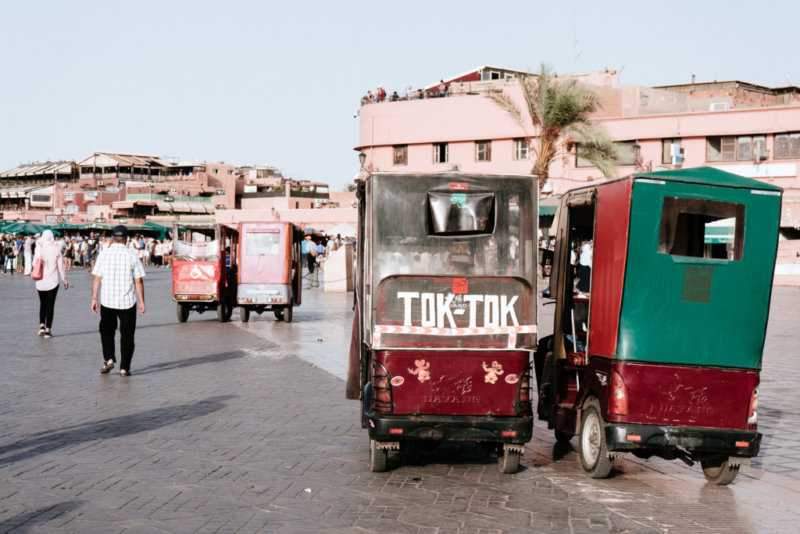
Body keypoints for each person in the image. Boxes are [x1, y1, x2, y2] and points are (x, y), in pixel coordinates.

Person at [91, 225, 146, 377]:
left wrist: (94, 298)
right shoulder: (132, 255)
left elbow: (97, 278)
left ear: (112, 238)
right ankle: (124, 367)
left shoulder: (104, 254)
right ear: (126, 239)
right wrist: (142, 302)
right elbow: (138, 281)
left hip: (107, 301)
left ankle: (109, 358)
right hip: (127, 302)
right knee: (127, 335)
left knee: (106, 331)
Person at [33, 230, 69, 338]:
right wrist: (65, 280)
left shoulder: (39, 248)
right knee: (50, 306)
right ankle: (48, 330)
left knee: (42, 304)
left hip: (40, 282)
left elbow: (34, 263)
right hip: (53, 282)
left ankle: (41, 326)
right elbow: (61, 267)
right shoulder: (56, 248)